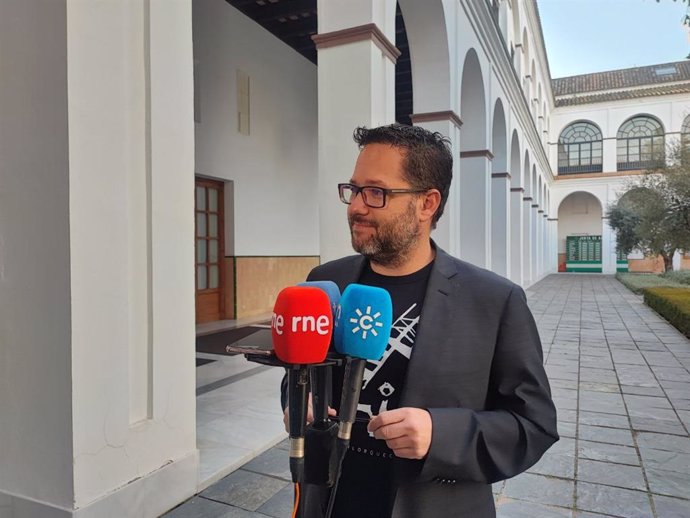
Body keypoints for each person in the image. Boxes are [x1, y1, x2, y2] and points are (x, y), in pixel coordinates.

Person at [282, 124, 558, 518]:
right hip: (327, 501)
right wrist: (298, 401)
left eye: (376, 192)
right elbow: (298, 370)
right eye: (354, 189)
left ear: (427, 204)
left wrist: (439, 434)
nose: (356, 207)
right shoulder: (326, 282)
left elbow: (534, 426)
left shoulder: (494, 301)